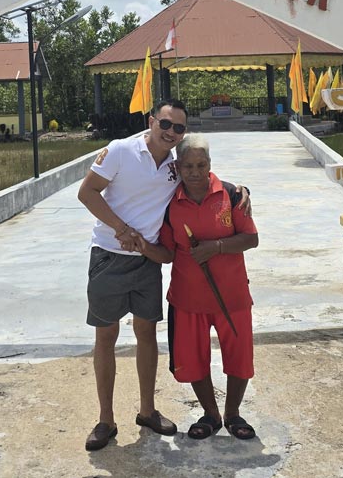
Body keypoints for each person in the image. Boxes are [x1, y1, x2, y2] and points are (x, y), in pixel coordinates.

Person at [76, 98, 250, 452]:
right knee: (106, 335)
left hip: (149, 260)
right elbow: (86, 192)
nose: (171, 132)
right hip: (109, 255)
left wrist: (241, 191)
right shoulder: (121, 150)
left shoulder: (174, 166)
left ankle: (147, 410)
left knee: (146, 334)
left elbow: (201, 176)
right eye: (166, 124)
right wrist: (121, 229)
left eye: (179, 128)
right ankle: (106, 419)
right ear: (151, 120)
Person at [157, 133, 259, 441]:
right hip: (187, 298)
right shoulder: (170, 203)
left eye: (201, 165)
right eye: (188, 166)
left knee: (239, 357)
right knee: (193, 360)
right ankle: (211, 414)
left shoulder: (231, 195)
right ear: (178, 166)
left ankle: (232, 413)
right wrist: (136, 244)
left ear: (210, 164)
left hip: (232, 295)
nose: (195, 172)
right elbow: (165, 251)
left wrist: (215, 247)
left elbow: (251, 239)